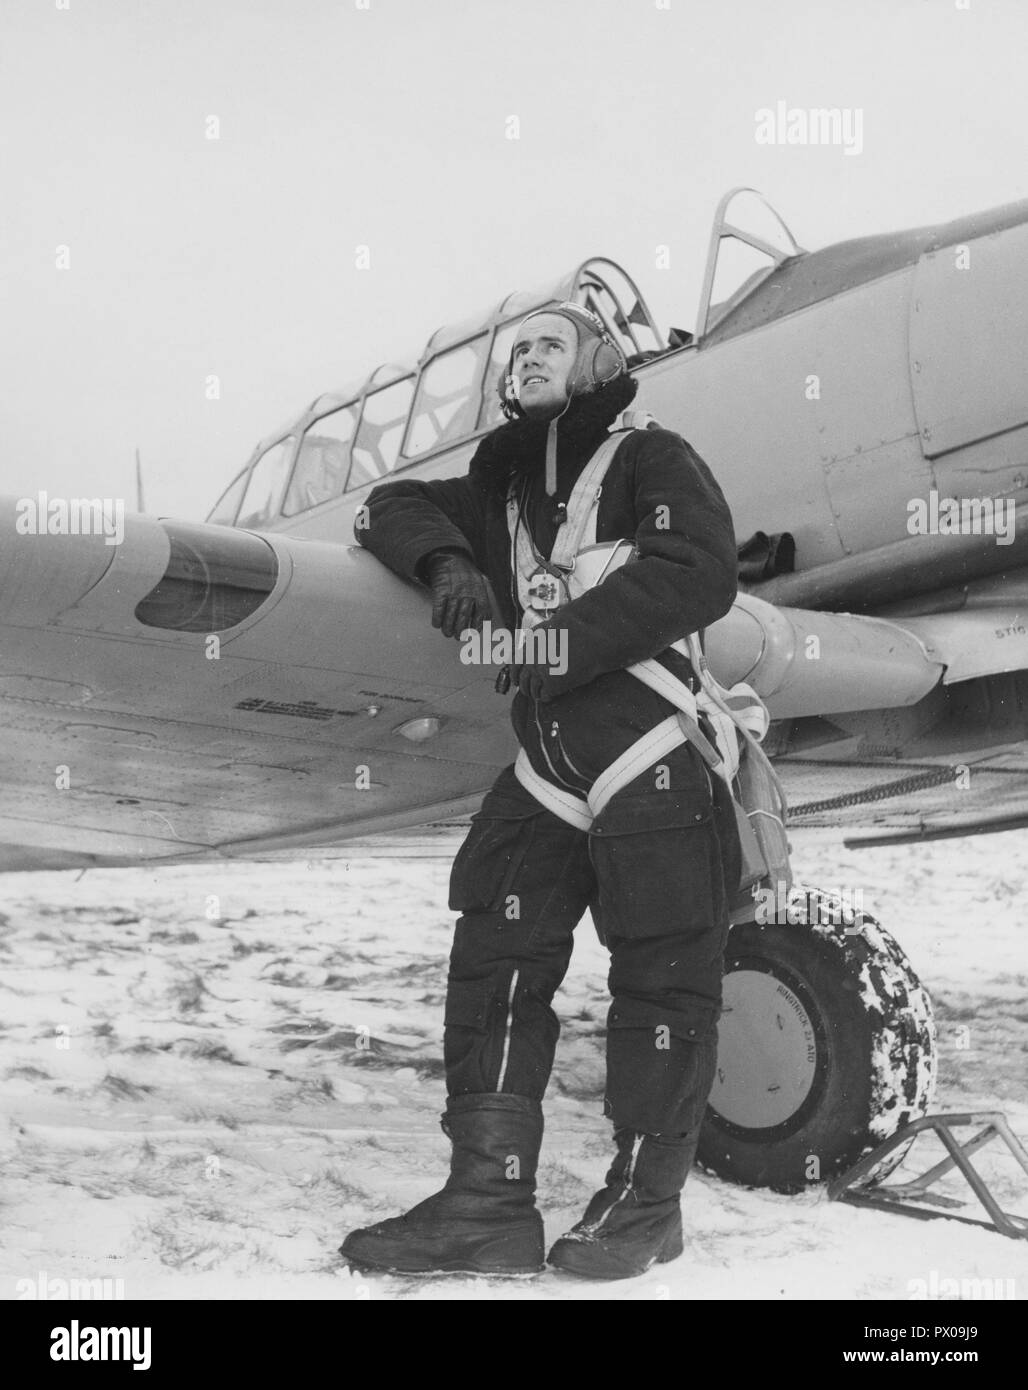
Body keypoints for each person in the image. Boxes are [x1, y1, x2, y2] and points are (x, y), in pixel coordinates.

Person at [340, 302, 741, 1280]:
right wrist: (448, 565)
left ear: (595, 362)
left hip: (650, 746)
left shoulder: (651, 460)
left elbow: (698, 573)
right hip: (550, 763)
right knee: (495, 959)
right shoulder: (499, 488)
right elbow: (390, 503)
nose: (524, 359)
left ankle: (646, 1203)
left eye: (546, 345)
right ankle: (487, 1199)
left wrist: (552, 641)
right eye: (514, 350)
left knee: (661, 983)